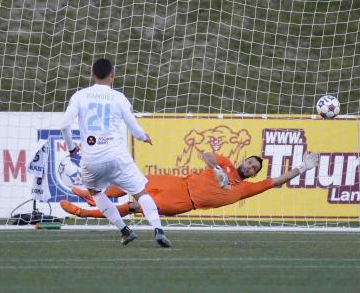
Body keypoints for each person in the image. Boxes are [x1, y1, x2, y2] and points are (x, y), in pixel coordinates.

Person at [60, 58, 171, 248]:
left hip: (92, 159)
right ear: (112, 74)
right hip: (117, 157)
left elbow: (64, 125)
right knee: (140, 193)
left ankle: (124, 230)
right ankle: (158, 230)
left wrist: (71, 148)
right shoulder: (119, 98)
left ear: (93, 75)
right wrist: (144, 137)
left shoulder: (80, 96)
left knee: (95, 192)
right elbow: (134, 130)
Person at [60, 151, 319, 218]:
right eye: (250, 162)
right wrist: (217, 169)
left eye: (254, 168)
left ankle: (87, 210)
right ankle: (92, 195)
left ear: (253, 175)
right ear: (243, 160)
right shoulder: (227, 164)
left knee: (136, 205)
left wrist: (301, 168)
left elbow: (275, 181)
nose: (251, 167)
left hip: (183, 202)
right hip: (177, 183)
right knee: (133, 181)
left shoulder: (246, 188)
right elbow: (206, 155)